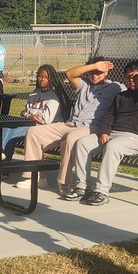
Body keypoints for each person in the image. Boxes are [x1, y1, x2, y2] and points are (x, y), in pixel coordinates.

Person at [71, 60, 138, 205]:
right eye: (128, 77)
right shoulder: (122, 96)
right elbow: (109, 115)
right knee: (83, 143)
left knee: (113, 146)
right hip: (114, 135)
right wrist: (104, 131)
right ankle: (82, 187)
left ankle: (101, 191)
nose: (131, 80)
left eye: (135, 77)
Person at [21, 57, 120, 199]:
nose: (94, 75)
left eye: (99, 72)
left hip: (91, 127)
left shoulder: (114, 87)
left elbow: (136, 90)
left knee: (71, 138)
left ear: (106, 73)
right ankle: (35, 177)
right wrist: (94, 65)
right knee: (33, 132)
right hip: (71, 124)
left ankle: (65, 183)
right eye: (92, 72)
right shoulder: (84, 84)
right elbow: (70, 74)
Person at [3, 64, 66, 163]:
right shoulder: (35, 92)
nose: (42, 79)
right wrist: (30, 115)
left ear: (52, 79)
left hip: (46, 128)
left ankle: (1, 162)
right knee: (7, 127)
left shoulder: (54, 96)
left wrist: (30, 112)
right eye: (40, 76)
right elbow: (23, 112)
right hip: (32, 124)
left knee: (11, 135)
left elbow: (46, 119)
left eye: (46, 77)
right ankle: (1, 153)